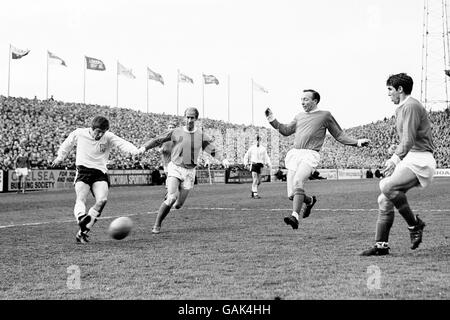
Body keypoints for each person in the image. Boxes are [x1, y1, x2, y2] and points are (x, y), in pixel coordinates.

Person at [265, 89, 370, 230]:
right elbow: (285, 131)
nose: (303, 102)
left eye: (306, 99)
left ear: (315, 101)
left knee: (298, 181)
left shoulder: (325, 115)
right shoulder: (299, 116)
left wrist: (357, 142)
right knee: (291, 195)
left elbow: (339, 135)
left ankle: (294, 216)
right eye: (301, 99)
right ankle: (309, 201)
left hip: (310, 154)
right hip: (295, 154)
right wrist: (272, 119)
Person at [360, 73, 436, 256]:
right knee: (384, 199)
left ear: (400, 89)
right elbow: (409, 138)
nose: (388, 94)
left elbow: (409, 139)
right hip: (412, 156)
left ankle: (415, 224)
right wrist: (398, 147)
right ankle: (381, 246)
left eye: (390, 90)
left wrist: (395, 158)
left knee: (387, 186)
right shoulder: (402, 108)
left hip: (420, 159)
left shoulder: (410, 105)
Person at [138, 107, 230, 234]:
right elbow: (158, 140)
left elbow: (212, 149)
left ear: (196, 119)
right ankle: (157, 224)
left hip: (190, 172)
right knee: (171, 198)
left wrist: (223, 159)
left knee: (178, 205)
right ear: (184, 117)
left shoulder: (201, 135)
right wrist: (144, 147)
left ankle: (172, 196)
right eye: (187, 117)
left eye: (192, 117)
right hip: (175, 168)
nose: (189, 120)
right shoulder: (176, 131)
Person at [51, 116, 141, 244]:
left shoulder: (108, 136)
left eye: (102, 132)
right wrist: (60, 157)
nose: (99, 134)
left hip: (100, 172)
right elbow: (67, 144)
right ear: (91, 128)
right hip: (83, 170)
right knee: (81, 198)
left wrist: (135, 151)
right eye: (97, 131)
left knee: (102, 200)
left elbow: (123, 143)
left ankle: (82, 232)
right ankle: (81, 217)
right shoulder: (79, 133)